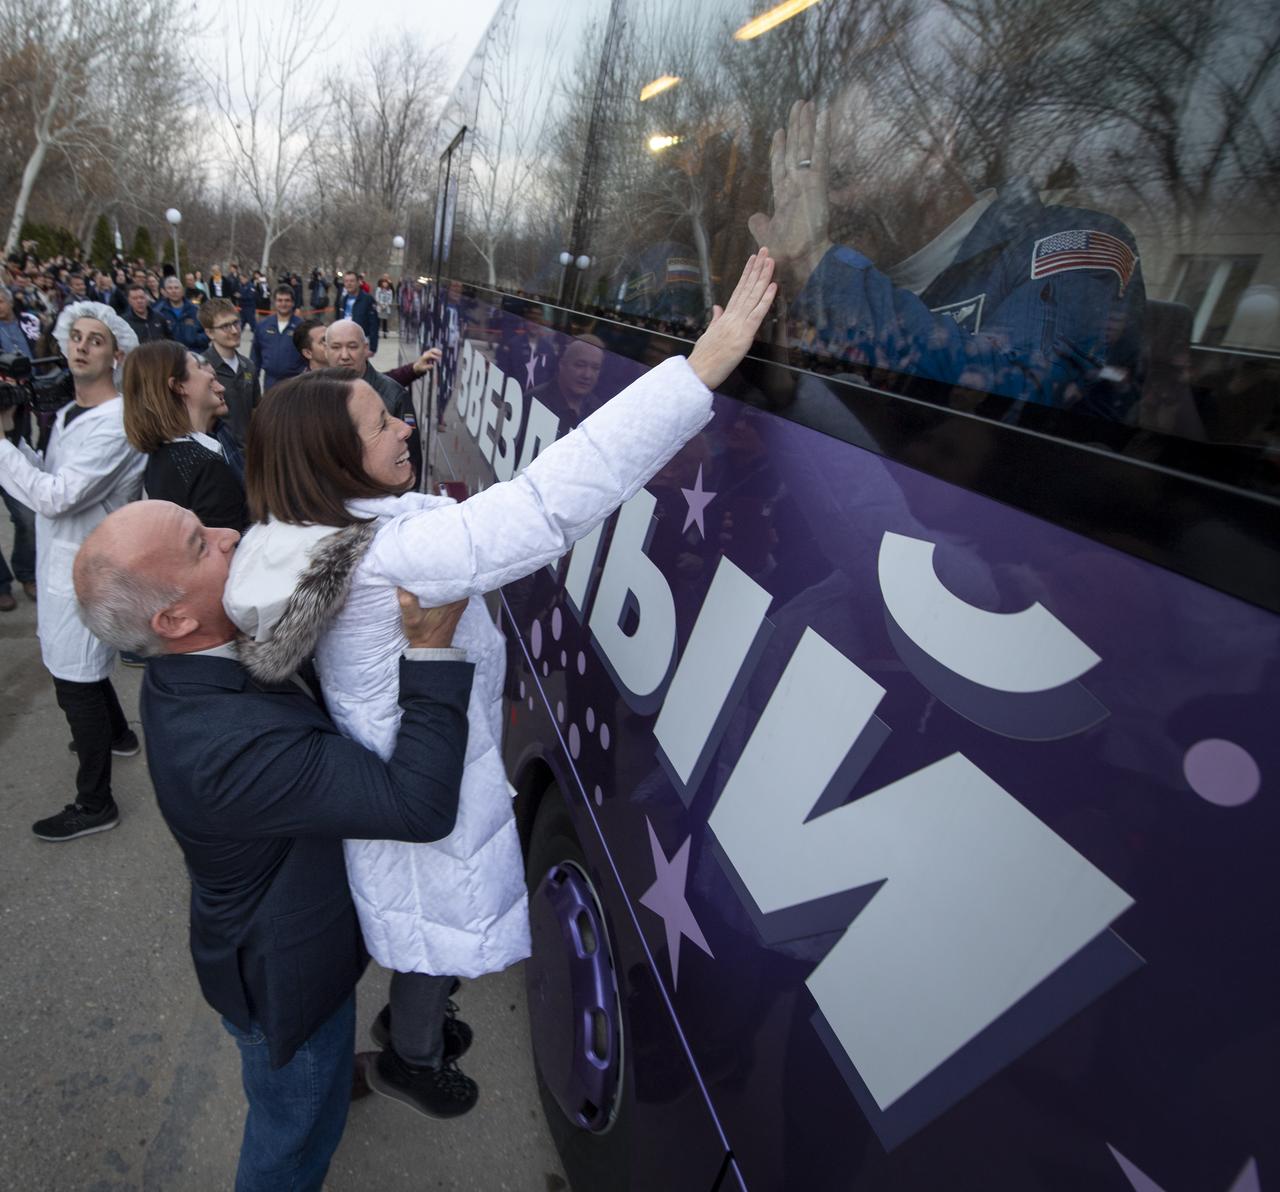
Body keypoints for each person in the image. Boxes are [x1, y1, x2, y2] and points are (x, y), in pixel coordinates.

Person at [221, 249, 777, 1121]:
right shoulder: (394, 555)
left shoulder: (300, 528)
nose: (403, 426)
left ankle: (414, 1034)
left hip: (392, 769)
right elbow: (547, 504)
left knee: (419, 927)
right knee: (430, 934)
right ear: (334, 463)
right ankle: (413, 1055)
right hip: (423, 772)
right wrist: (698, 371)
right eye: (379, 425)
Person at [72, 499, 475, 1190]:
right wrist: (433, 648)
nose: (233, 534)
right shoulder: (228, 746)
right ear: (172, 620)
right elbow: (417, 805)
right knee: (289, 1145)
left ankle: (320, 1077)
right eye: (202, 545)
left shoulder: (199, 664)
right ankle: (312, 1087)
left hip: (286, 950)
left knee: (299, 1092)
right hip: (286, 984)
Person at [748, 99, 1145, 415]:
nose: (820, 204)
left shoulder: (1071, 244)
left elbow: (1021, 401)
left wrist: (817, 260)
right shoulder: (859, 275)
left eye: (840, 177)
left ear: (932, 151)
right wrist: (786, 287)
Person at [0, 302, 144, 841]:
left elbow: (57, 498)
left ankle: (95, 802)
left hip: (88, 568)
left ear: (116, 354)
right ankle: (119, 736)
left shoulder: (117, 423)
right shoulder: (67, 414)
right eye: (76, 336)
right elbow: (47, 474)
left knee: (74, 680)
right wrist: (14, 437)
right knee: (80, 670)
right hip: (62, 560)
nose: (82, 345)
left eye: (96, 340)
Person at [123, 341, 247, 531]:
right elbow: (226, 546)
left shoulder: (162, 455)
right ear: (179, 386)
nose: (213, 379)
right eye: (199, 368)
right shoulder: (205, 466)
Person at [324, 319, 420, 482]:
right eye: (336, 347)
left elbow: (412, 460)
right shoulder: (313, 394)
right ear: (325, 351)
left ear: (366, 349)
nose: (345, 355)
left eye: (353, 347)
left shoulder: (395, 395)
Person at [0, 284, 38, 610]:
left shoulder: (27, 323)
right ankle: (1, 583)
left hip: (14, 433)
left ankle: (27, 572)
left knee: (25, 514)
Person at [200, 298, 259, 449]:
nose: (234, 331)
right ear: (209, 332)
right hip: (219, 453)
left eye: (236, 323)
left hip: (248, 451)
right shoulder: (200, 369)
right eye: (225, 326)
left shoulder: (249, 366)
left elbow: (255, 410)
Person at [530, 333, 606, 433]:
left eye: (595, 368)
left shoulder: (600, 411)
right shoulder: (534, 401)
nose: (587, 375)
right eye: (580, 365)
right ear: (562, 364)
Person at [251, 286, 305, 390]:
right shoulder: (263, 325)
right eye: (280, 300)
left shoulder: (301, 326)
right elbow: (255, 355)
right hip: (270, 382)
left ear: (293, 303)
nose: (283, 304)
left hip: (295, 381)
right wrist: (252, 379)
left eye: (287, 300)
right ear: (275, 302)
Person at [153, 276, 209, 352]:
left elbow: (208, 332)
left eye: (176, 288)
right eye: (170, 288)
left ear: (182, 291)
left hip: (195, 353)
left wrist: (194, 339)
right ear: (165, 292)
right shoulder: (159, 311)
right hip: (171, 356)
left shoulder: (195, 310)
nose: (174, 291)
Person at [333, 271, 378, 353]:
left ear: (358, 282)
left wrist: (372, 348)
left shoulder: (367, 299)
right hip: (344, 341)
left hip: (360, 342)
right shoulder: (343, 300)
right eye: (346, 281)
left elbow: (374, 324)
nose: (349, 284)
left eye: (352, 281)